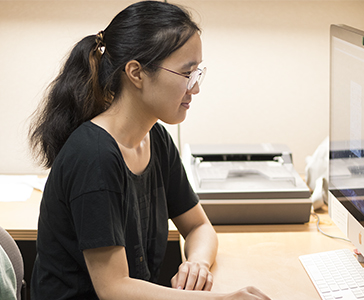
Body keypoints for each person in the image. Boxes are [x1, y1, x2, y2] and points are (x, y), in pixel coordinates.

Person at [29, 1, 271, 299]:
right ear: (136, 73)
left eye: (198, 73)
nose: (195, 88)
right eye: (187, 74)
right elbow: (114, 288)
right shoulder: (95, 157)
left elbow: (198, 226)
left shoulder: (154, 137)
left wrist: (196, 263)